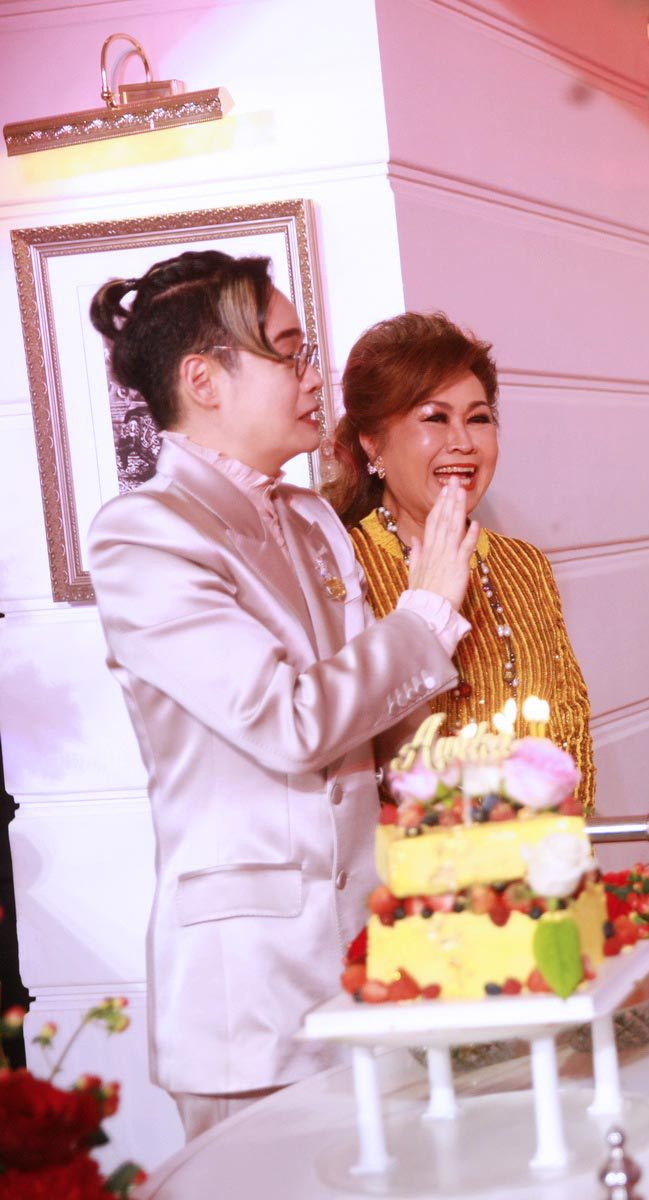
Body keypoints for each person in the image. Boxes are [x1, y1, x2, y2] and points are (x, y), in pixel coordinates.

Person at [84, 252, 476, 1138]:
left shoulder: (307, 520)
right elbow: (288, 721)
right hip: (250, 988)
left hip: (376, 958)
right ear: (204, 379)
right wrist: (425, 614)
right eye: (289, 352)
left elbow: (369, 725)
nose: (314, 376)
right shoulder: (144, 535)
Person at [326, 312, 595, 808]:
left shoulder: (525, 565)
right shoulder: (340, 569)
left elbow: (569, 728)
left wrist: (557, 848)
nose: (464, 442)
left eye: (478, 417)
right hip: (409, 870)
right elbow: (348, 754)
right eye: (435, 418)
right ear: (372, 442)